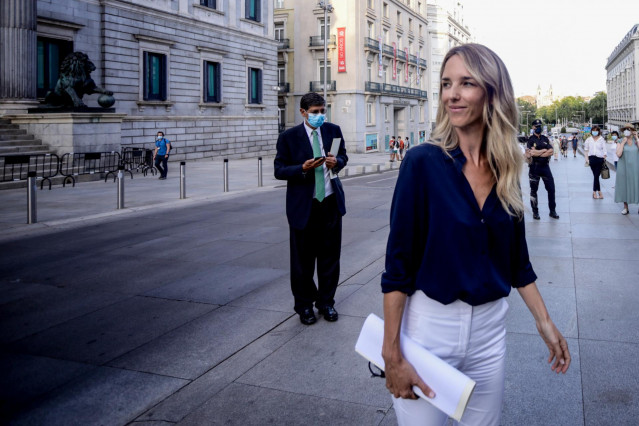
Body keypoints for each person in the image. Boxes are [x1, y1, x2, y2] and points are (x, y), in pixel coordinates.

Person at [380, 43, 570, 426]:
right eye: (446, 83)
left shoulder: (506, 166)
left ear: (491, 92)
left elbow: (518, 262)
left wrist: (544, 322)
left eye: (466, 83)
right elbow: (397, 268)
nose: (452, 93)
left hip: (489, 336)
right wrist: (392, 355)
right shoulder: (421, 163)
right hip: (428, 334)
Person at [274, 92, 348, 325]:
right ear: (303, 112)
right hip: (303, 207)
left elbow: (343, 156)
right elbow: (279, 169)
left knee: (330, 258)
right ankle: (304, 305)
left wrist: (338, 162)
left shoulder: (333, 130)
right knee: (302, 262)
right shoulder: (289, 137)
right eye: (315, 112)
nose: (320, 116)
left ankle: (326, 302)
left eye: (322, 111)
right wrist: (302, 168)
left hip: (330, 203)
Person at [526, 119, 560, 219]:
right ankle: (535, 212)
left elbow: (551, 151)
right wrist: (544, 151)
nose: (538, 128)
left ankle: (552, 211)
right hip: (534, 168)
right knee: (533, 191)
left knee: (551, 189)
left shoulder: (545, 138)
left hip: (545, 167)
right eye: (536, 127)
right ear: (533, 127)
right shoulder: (530, 140)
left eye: (540, 126)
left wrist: (538, 152)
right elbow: (531, 153)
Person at [614, 123, 639, 215]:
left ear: (632, 131)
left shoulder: (636, 141)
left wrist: (637, 138)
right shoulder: (620, 141)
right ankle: (625, 207)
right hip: (623, 167)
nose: (627, 131)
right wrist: (623, 143)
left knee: (637, 185)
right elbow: (618, 154)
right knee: (624, 186)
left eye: (629, 129)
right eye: (625, 129)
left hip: (636, 167)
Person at [584, 125, 607, 199]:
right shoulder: (588, 139)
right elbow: (586, 150)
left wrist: (604, 157)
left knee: (596, 176)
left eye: (596, 130)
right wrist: (587, 159)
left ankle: (595, 192)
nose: (595, 132)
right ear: (591, 131)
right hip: (592, 159)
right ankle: (599, 192)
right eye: (593, 130)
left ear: (598, 131)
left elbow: (605, 149)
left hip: (599, 159)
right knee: (596, 176)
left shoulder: (601, 139)